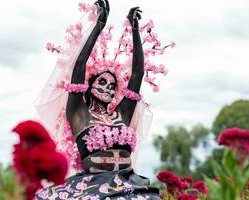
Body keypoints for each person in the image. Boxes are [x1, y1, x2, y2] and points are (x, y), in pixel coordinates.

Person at [35, 0, 161, 199]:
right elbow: (79, 65)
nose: (108, 89)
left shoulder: (122, 113)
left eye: (112, 86)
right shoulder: (79, 114)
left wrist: (135, 30)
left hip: (129, 185)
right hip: (94, 188)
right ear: (89, 86)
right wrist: (99, 26)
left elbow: (137, 74)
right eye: (102, 83)